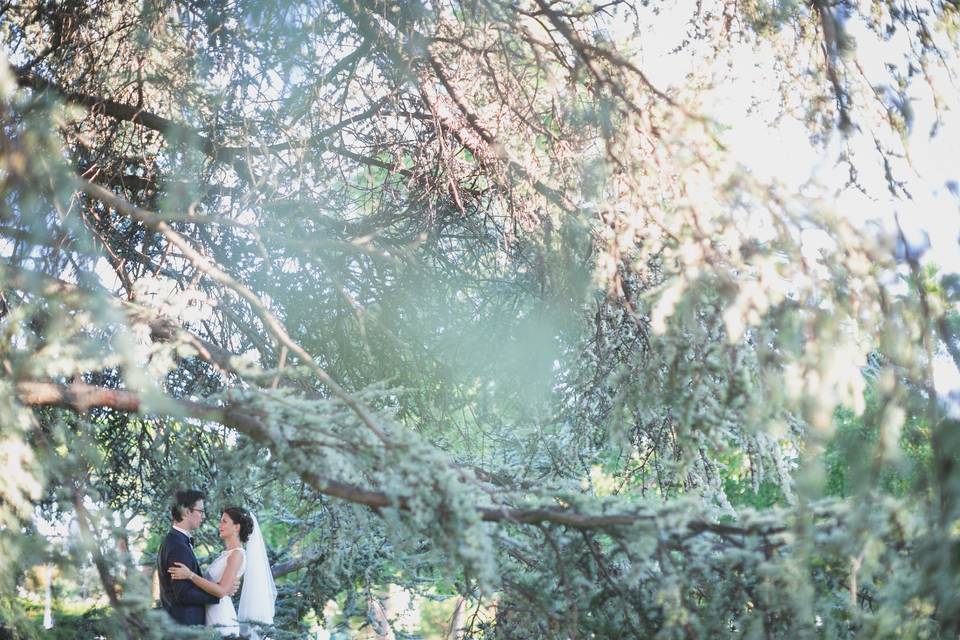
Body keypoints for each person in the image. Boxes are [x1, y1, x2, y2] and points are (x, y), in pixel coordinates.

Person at [169, 506, 277, 638]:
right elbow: (221, 588)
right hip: (210, 613)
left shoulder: (237, 555)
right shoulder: (226, 555)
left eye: (224, 521)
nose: (219, 525)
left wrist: (190, 575)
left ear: (236, 527)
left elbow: (221, 591)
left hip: (221, 617)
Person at [157, 489, 236, 625]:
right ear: (187, 512)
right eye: (201, 511)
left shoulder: (176, 540)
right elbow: (183, 594)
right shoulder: (178, 546)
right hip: (185, 626)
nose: (203, 516)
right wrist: (220, 592)